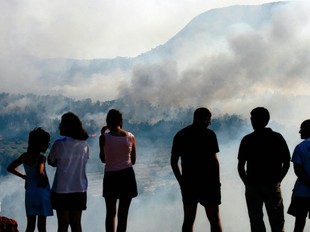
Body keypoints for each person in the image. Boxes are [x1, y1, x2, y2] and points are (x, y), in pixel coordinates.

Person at [237, 107, 291, 232]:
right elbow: (286, 163)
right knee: (277, 220)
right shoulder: (277, 137)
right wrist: (278, 180)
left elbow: (241, 165)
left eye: (253, 118)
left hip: (253, 186)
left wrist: (247, 182)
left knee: (256, 220)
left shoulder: (247, 139)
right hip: (271, 185)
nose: (251, 121)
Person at [171, 107, 222, 232]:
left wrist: (181, 181)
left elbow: (173, 162)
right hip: (209, 183)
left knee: (188, 220)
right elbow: (214, 161)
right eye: (209, 119)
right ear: (206, 119)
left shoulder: (181, 134)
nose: (210, 122)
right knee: (214, 219)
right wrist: (217, 182)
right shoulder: (209, 135)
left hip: (189, 183)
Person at [48, 112, 89, 232]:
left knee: (63, 225)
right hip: (79, 188)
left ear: (67, 127)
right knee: (76, 224)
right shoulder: (84, 145)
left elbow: (51, 161)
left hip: (61, 190)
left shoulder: (59, 144)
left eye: (62, 124)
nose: (59, 126)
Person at [7, 127, 53, 232]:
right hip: (42, 193)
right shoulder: (41, 158)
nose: (47, 146)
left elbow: (10, 168)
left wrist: (24, 176)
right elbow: (40, 171)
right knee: (42, 226)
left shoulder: (24, 156)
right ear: (40, 144)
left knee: (30, 225)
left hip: (30, 193)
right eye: (46, 143)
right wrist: (44, 178)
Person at [99, 109, 138, 232]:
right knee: (123, 214)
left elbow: (103, 159)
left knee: (110, 213)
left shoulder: (104, 138)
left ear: (107, 122)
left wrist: (102, 135)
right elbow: (133, 160)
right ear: (121, 121)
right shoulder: (130, 137)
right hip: (127, 175)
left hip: (111, 176)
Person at [288, 119, 310, 232]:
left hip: (302, 192)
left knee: (299, 223)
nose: (300, 131)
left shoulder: (300, 147)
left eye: (302, 128)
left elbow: (298, 170)